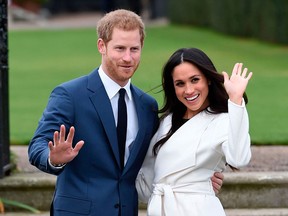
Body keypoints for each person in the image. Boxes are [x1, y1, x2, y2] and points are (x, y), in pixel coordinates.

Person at [28, 10, 223, 216]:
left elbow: (157, 159)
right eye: (120, 48)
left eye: (134, 49)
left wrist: (196, 176)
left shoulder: (147, 106)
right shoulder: (70, 95)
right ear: (101, 46)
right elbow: (37, 145)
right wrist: (53, 158)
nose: (128, 58)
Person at [136, 47, 253, 216]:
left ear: (208, 79)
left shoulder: (224, 120)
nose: (189, 90)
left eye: (195, 80)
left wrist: (235, 100)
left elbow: (239, 158)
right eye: (180, 84)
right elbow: (145, 185)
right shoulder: (165, 123)